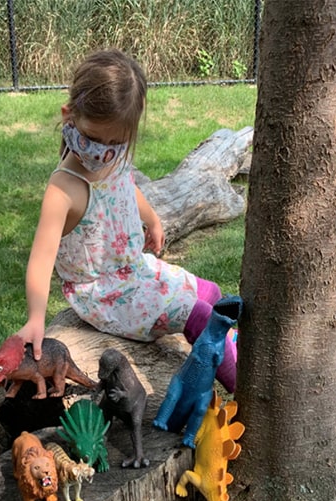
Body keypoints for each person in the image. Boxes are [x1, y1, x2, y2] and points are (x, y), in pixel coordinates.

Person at [14, 48, 237, 393]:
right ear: (68, 116)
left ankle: (225, 356)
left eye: (115, 143)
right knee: (202, 316)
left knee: (212, 293)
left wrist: (152, 220)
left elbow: (126, 185)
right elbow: (41, 260)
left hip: (136, 271)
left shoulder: (113, 159)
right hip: (107, 294)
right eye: (93, 138)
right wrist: (35, 318)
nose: (103, 151)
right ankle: (247, 391)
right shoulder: (63, 189)